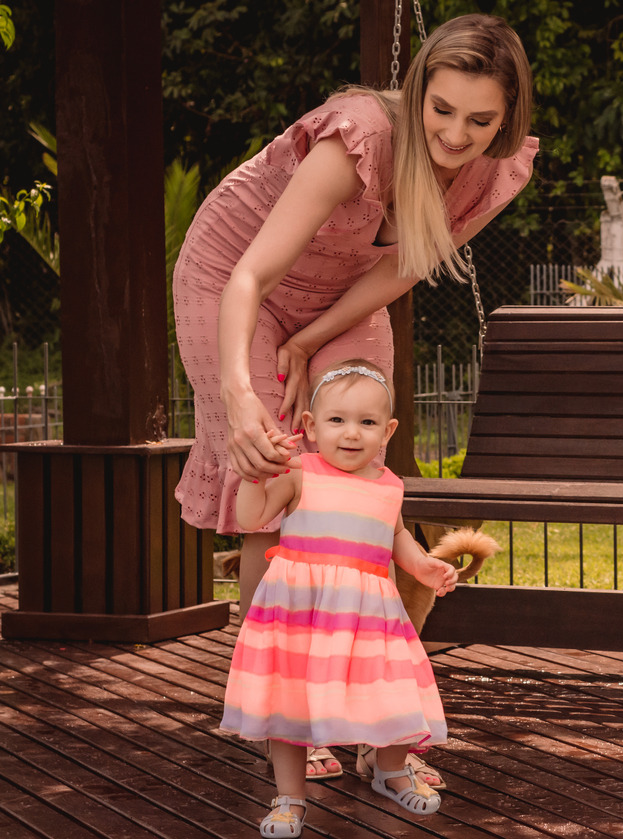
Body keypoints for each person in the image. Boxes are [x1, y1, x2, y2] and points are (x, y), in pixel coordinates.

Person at [172, 13, 535, 783]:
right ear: (416, 92)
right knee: (276, 474)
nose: (457, 134)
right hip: (238, 278)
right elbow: (249, 278)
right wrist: (243, 398)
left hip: (340, 293)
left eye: (481, 120)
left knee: (358, 465)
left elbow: (401, 269)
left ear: (507, 120)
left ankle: (376, 720)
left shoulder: (492, 171)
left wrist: (312, 341)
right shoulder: (359, 139)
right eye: (442, 110)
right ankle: (284, 712)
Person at [222, 360, 459, 836]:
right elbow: (251, 517)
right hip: (299, 615)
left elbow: (396, 541)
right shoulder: (298, 473)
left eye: (367, 423)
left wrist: (424, 565)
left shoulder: (389, 485)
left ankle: (390, 771)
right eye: (337, 420)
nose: (351, 434)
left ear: (387, 431)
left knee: (390, 694)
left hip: (368, 618)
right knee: (289, 705)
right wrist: (255, 476)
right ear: (310, 427)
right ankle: (289, 797)